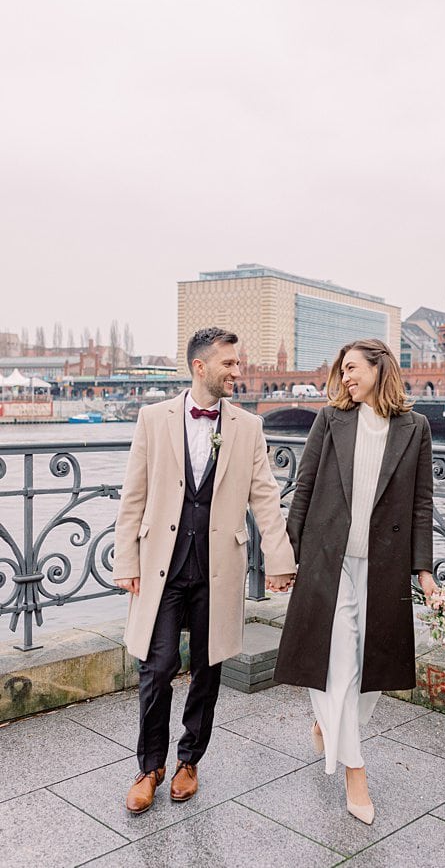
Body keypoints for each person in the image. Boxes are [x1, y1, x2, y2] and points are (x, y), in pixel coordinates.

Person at [113, 327, 296, 814]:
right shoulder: (153, 418)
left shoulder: (248, 427)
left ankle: (189, 761)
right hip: (162, 567)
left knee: (208, 668)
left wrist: (280, 559)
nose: (238, 372)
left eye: (239, 364)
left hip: (220, 567)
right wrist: (125, 560)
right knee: (156, 667)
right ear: (200, 366)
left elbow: (265, 497)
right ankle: (149, 767)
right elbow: (133, 495)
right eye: (229, 364)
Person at [273, 338, 435, 825]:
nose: (345, 377)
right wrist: (286, 556)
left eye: (353, 368)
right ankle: (356, 774)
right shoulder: (331, 420)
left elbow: (422, 503)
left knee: (370, 675)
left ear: (379, 368)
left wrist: (424, 572)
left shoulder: (416, 428)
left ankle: (328, 723)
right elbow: (303, 489)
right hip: (330, 561)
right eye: (342, 370)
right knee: (339, 662)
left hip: (382, 567)